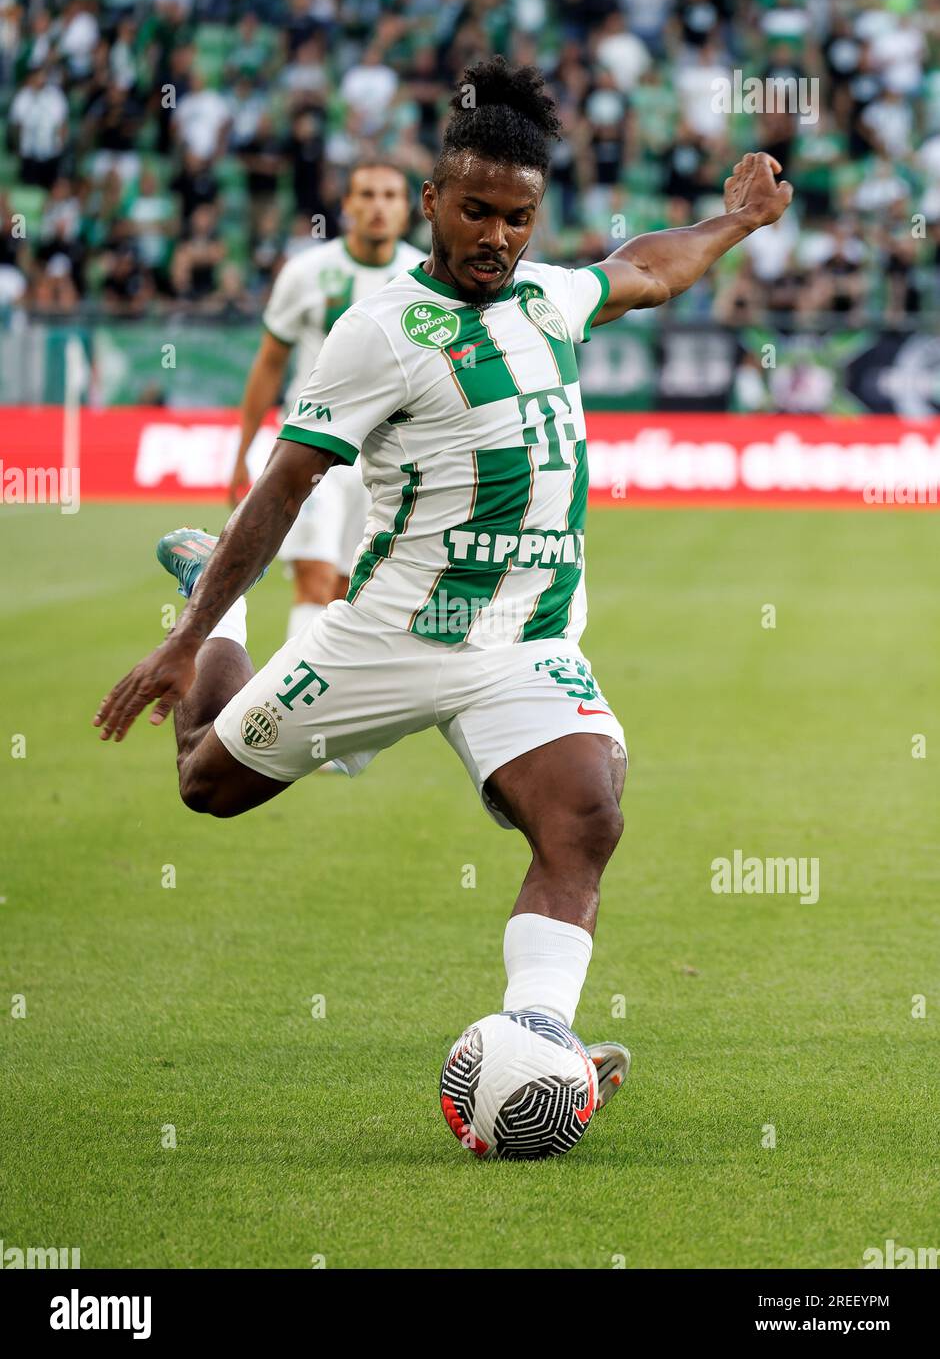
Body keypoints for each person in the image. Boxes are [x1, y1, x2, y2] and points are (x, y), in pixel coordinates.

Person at [95, 58, 791, 1126]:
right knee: (205, 782)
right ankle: (218, 605)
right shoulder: (378, 332)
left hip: (522, 640)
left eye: (516, 216)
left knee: (586, 817)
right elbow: (286, 483)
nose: (495, 237)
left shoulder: (552, 297)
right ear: (432, 202)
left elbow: (648, 267)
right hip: (391, 634)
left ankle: (540, 1045)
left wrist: (736, 220)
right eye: (474, 211)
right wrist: (190, 635)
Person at [230, 162, 424, 641]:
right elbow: (270, 362)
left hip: (387, 460)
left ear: (408, 209)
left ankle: (313, 698)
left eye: (389, 196)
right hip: (314, 451)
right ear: (347, 206)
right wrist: (242, 455)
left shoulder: (423, 277)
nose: (377, 206)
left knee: (345, 589)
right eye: (367, 194)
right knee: (313, 581)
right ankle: (284, 710)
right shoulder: (305, 273)